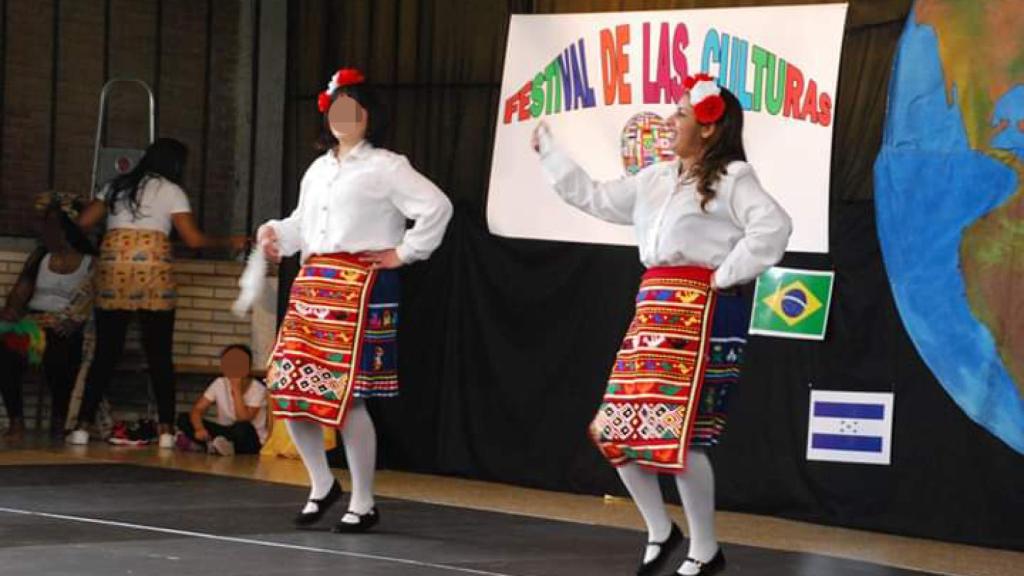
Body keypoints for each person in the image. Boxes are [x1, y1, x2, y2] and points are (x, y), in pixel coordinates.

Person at [532, 74, 791, 576]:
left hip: (703, 312)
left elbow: (773, 226)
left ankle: (705, 547)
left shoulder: (734, 178)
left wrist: (723, 275)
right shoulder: (655, 178)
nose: (669, 122)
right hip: (653, 309)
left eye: (679, 115)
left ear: (709, 128)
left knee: (685, 435)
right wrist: (550, 153)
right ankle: (659, 529)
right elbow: (595, 197)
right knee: (616, 428)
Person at [257, 67, 452, 532]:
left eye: (355, 111)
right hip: (312, 283)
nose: (345, 119)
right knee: (290, 388)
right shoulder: (319, 168)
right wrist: (275, 234)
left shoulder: (386, 166)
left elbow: (436, 207)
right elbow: (303, 223)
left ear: (370, 118)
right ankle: (322, 484)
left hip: (359, 286)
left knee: (350, 398)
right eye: (338, 109)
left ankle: (363, 500)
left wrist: (405, 252)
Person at [68, 137, 244, 449]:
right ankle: (165, 431)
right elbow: (193, 240)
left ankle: (81, 427)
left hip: (114, 270)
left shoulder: (115, 186)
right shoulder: (172, 191)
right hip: (153, 270)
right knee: (159, 354)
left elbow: (81, 223)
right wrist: (230, 241)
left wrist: (102, 241)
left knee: (106, 353)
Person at [0, 193, 96, 440]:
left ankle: (58, 420)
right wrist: (11, 313)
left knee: (61, 355)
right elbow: (18, 296)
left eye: (54, 226)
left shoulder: (90, 263)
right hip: (34, 324)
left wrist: (72, 322)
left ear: (69, 229)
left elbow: (92, 306)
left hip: (68, 325)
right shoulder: (40, 257)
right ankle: (16, 421)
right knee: (6, 352)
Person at [175, 344, 268, 455]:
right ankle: (215, 445)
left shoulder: (258, 389)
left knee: (242, 427)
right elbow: (198, 409)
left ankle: (214, 447)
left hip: (251, 438)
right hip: (225, 432)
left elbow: (243, 418)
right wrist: (199, 429)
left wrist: (236, 390)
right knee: (183, 418)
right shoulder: (219, 383)